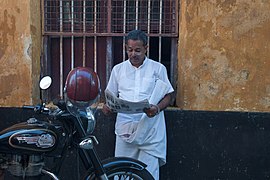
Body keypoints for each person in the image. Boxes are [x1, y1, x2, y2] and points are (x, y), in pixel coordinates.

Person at [102, 29, 174, 179]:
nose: (133, 54)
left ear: (146, 48)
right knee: (122, 171)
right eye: (130, 50)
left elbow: (169, 95)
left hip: (150, 129)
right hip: (125, 129)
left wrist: (157, 108)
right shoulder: (118, 70)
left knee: (148, 173)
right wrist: (107, 107)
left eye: (137, 50)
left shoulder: (158, 69)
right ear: (125, 48)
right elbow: (110, 96)